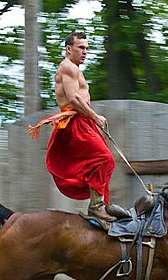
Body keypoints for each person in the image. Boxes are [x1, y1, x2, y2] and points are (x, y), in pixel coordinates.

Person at [28, 31, 129, 222]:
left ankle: (102, 205)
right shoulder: (68, 67)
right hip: (76, 121)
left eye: (87, 48)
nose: (85, 52)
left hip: (84, 120)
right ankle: (97, 208)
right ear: (69, 49)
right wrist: (96, 117)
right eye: (81, 48)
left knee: (107, 162)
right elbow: (74, 99)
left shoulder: (74, 69)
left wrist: (92, 119)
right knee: (104, 158)